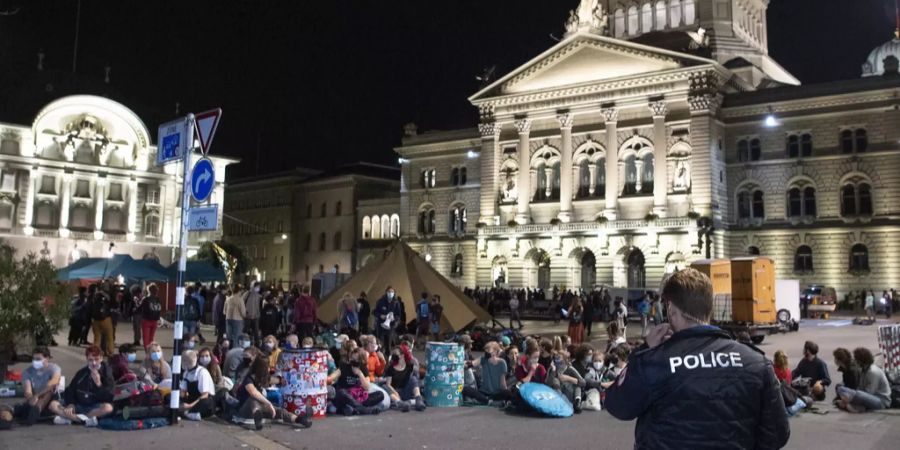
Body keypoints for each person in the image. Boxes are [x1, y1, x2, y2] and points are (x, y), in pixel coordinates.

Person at [605, 268, 790, 450]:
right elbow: (778, 433)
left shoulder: (654, 362)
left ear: (671, 309)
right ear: (709, 306)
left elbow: (617, 405)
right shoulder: (756, 362)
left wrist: (644, 350)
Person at [234, 353, 312, 429]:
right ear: (260, 368)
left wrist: (281, 381)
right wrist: (268, 403)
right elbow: (254, 393)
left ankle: (300, 419)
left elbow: (271, 380)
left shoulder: (262, 377)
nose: (268, 369)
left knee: (279, 411)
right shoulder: (249, 378)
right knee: (254, 399)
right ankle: (257, 416)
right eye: (266, 367)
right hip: (244, 411)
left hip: (261, 407)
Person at [48, 345, 115, 426]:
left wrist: (99, 384)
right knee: (53, 405)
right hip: (79, 405)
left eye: (96, 359)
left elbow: (109, 396)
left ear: (101, 358)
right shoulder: (82, 372)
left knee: (108, 408)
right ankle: (84, 420)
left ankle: (71, 419)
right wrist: (71, 404)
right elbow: (70, 389)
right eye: (90, 360)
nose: (93, 363)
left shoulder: (107, 373)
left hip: (94, 407)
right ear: (87, 359)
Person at [14, 347, 61, 425]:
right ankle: (33, 411)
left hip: (52, 399)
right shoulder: (27, 372)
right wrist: (31, 398)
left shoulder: (54, 368)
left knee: (50, 389)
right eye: (34, 359)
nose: (35, 361)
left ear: (47, 358)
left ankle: (36, 410)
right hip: (35, 399)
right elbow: (27, 391)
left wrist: (37, 395)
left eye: (38, 359)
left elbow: (53, 382)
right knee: (29, 400)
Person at [836, 347, 892, 412]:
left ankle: (849, 403)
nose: (855, 361)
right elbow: (860, 387)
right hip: (868, 397)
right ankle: (855, 406)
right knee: (840, 388)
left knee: (856, 393)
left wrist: (854, 395)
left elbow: (870, 393)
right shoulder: (863, 370)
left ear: (861, 361)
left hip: (881, 401)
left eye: (856, 360)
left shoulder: (873, 372)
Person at [332, 347, 384, 416]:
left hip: (359, 397)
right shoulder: (344, 366)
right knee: (342, 392)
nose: (353, 361)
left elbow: (367, 388)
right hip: (346, 396)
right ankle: (362, 409)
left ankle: (353, 408)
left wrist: (360, 374)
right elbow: (333, 377)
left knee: (380, 394)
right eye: (352, 359)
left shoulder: (363, 368)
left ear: (361, 361)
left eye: (356, 360)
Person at [462, 341, 512, 407]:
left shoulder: (502, 363)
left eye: (488, 350)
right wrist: (463, 364)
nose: (486, 352)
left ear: (495, 351)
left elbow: (502, 383)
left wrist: (506, 392)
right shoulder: (483, 359)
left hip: (495, 393)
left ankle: (486, 400)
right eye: (485, 350)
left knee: (507, 393)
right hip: (483, 392)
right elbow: (471, 364)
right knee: (465, 389)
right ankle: (488, 401)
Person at [384, 344, 427, 412]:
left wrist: (410, 356)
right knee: (384, 386)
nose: (394, 356)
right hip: (395, 392)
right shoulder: (391, 368)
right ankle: (400, 403)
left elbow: (417, 371)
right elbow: (388, 384)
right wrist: (395, 392)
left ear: (402, 355)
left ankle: (418, 400)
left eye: (396, 354)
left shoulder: (409, 366)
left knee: (413, 379)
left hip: (405, 391)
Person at [178, 350, 216, 420]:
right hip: (193, 398)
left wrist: (189, 406)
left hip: (204, 400)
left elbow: (205, 395)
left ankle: (187, 413)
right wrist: (180, 402)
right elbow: (182, 392)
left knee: (206, 403)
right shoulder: (186, 373)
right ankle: (188, 413)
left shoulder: (202, 372)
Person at [89, 284, 116, 356]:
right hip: (106, 319)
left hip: (95, 320)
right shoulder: (107, 295)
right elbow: (114, 304)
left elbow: (89, 308)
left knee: (97, 338)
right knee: (109, 337)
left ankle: (95, 352)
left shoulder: (93, 296)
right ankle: (111, 352)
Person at [139, 284, 162, 352]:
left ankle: (147, 352)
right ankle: (151, 351)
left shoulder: (146, 299)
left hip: (146, 320)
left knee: (146, 338)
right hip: (154, 320)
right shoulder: (158, 299)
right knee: (151, 338)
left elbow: (140, 308)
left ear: (149, 290)